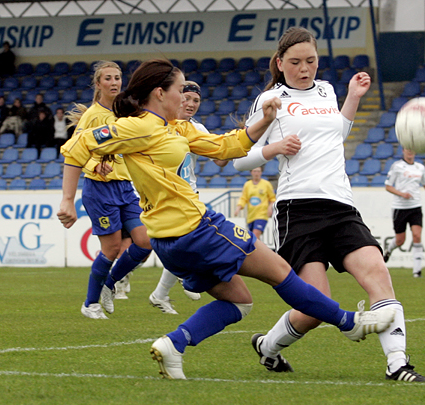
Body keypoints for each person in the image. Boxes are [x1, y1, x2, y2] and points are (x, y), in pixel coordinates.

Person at [58, 58, 396, 380]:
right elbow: (76, 148)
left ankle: (174, 344)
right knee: (280, 272)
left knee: (239, 300)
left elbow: (225, 147)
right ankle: (350, 323)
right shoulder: (135, 127)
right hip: (196, 228)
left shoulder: (176, 126)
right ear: (160, 93)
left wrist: (263, 121)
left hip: (168, 240)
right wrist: (68, 200)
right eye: (179, 89)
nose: (185, 97)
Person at [234, 27, 425, 383]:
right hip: (298, 209)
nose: (304, 68)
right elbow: (239, 158)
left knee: (378, 275)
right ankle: (268, 347)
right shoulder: (271, 99)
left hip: (341, 205)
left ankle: (398, 364)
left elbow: (335, 135)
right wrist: (274, 150)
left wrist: (353, 97)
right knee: (315, 307)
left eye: (310, 61)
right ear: (280, 63)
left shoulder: (326, 89)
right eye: (295, 62)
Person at [58, 61, 154, 320]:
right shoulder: (92, 115)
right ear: (98, 84)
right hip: (99, 190)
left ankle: (109, 284)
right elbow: (74, 148)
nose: (114, 82)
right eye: (108, 78)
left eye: (118, 78)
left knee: (146, 241)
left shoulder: (125, 111)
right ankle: (90, 304)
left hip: (125, 187)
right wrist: (93, 164)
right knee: (111, 249)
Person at [148, 80, 220, 315]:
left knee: (186, 246)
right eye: (186, 98)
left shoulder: (197, 129)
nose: (190, 104)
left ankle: (163, 292)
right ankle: (181, 280)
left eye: (196, 101)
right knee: (183, 247)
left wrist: (241, 143)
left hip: (189, 196)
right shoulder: (158, 124)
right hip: (164, 196)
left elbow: (220, 159)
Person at [382, 148, 425, 278]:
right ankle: (388, 251)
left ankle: (417, 271)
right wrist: (402, 194)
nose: (410, 152)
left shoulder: (420, 167)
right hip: (400, 208)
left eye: (412, 150)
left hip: (415, 207)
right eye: (407, 150)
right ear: (403, 151)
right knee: (400, 240)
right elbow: (388, 186)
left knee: (417, 236)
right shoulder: (397, 166)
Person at [234, 166, 276, 241]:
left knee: (255, 235)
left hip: (261, 215)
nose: (256, 173)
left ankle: (259, 252)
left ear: (261, 172)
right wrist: (238, 208)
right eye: (255, 171)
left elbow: (272, 198)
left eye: (258, 171)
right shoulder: (247, 185)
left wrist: (270, 207)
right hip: (251, 216)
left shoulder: (266, 184)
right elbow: (244, 198)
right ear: (251, 172)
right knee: (253, 238)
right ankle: (260, 252)